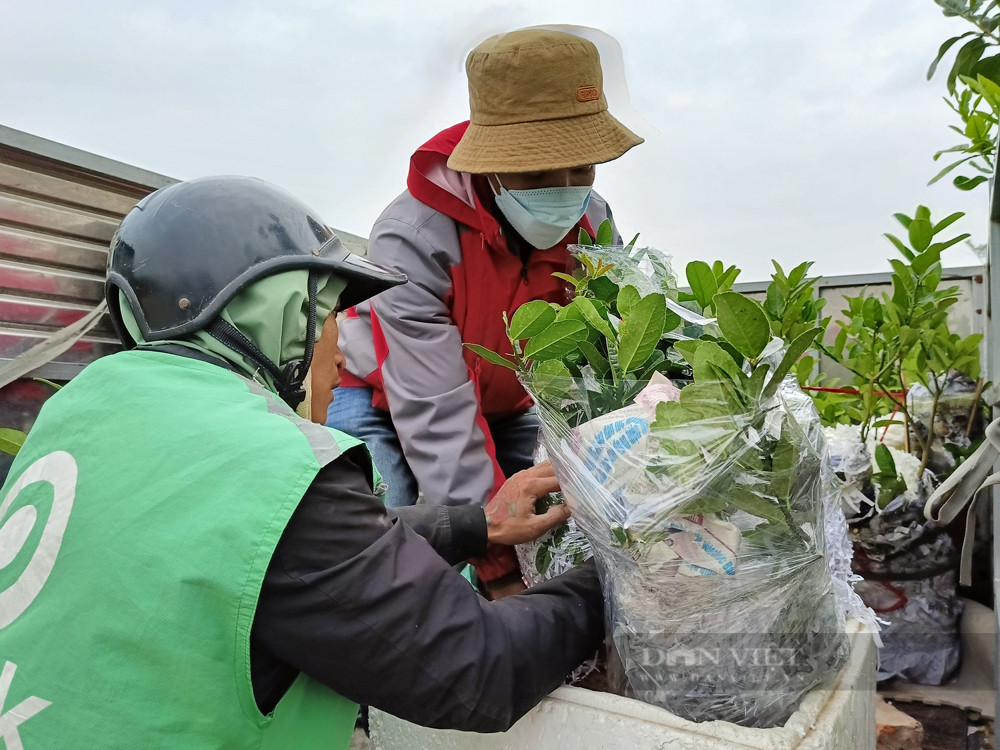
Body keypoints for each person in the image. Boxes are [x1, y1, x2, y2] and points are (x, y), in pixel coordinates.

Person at [0, 176, 605, 749]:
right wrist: (615, 577)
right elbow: (479, 671)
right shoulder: (267, 460)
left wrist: (480, 524)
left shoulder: (85, 409)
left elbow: (260, 550)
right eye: (329, 313)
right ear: (281, 314)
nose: (343, 348)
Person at [328, 27, 643, 596]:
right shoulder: (415, 235)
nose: (566, 189)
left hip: (506, 406)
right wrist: (498, 563)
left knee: (556, 518)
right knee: (378, 551)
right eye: (538, 173)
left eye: (582, 168)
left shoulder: (593, 223)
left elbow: (608, 351)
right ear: (489, 163)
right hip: (383, 402)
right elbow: (435, 411)